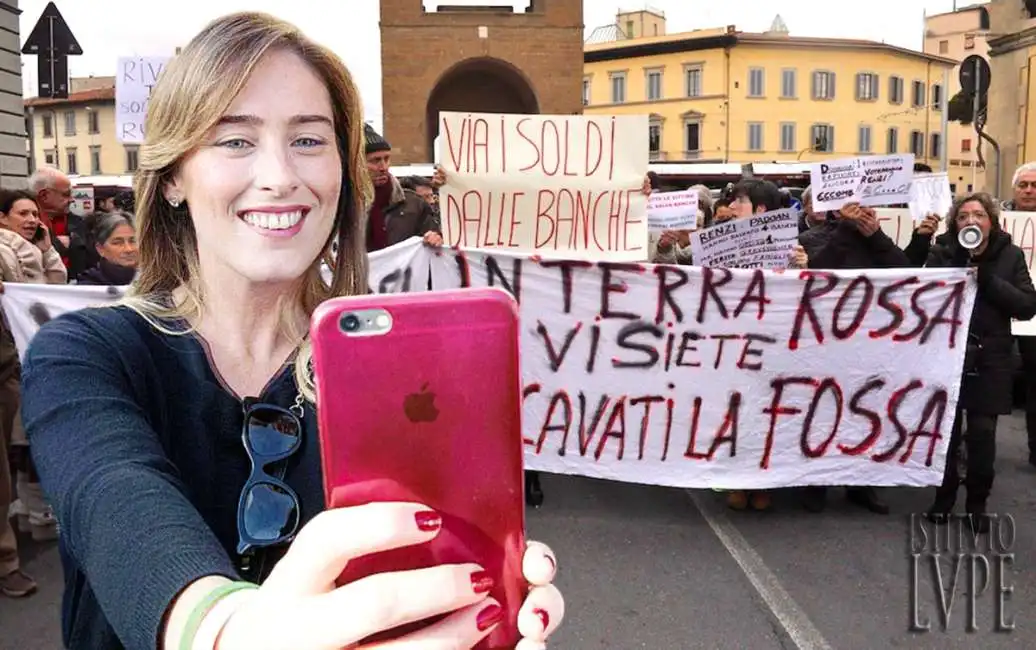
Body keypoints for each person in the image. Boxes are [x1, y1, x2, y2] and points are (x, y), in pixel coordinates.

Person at [21, 13, 563, 650]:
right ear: (171, 177)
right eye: (234, 141)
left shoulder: (396, 370)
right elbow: (112, 499)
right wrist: (226, 631)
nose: (280, 175)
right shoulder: (84, 355)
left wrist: (460, 608)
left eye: (309, 140)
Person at [924, 193, 1036, 533]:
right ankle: (942, 500)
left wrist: (986, 278)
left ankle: (977, 503)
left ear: (991, 221)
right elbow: (924, 297)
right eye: (963, 216)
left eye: (978, 214)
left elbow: (1026, 306)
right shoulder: (943, 252)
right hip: (948, 354)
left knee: (983, 436)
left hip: (991, 358)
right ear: (954, 224)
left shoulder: (1010, 255)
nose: (971, 221)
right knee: (946, 431)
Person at [364, 125, 443, 252]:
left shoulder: (414, 204)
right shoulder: (341, 207)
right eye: (375, 160)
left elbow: (438, 236)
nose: (383, 167)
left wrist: (436, 237)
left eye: (386, 159)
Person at [29, 166, 88, 281]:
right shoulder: (20, 226)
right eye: (66, 194)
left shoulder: (81, 223)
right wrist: (58, 245)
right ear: (44, 195)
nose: (72, 199)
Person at [77, 212, 138, 285]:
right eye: (117, 243)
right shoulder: (88, 286)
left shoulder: (152, 279)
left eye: (133, 241)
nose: (128, 249)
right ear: (100, 249)